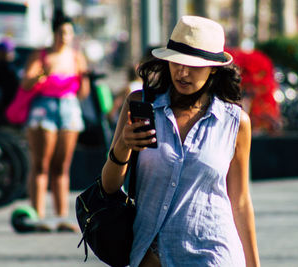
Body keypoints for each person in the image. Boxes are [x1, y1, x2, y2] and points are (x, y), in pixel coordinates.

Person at [101, 15, 260, 266]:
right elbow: (109, 187)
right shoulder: (140, 105)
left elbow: (240, 202)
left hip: (213, 254)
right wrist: (122, 145)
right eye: (176, 62)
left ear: (213, 68)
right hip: (150, 256)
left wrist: (254, 264)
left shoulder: (235, 122)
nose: (182, 72)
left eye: (194, 65)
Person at [21, 11, 90, 231]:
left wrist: (85, 78)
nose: (64, 37)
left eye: (68, 32)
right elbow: (26, 83)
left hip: (68, 108)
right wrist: (43, 74)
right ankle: (37, 215)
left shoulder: (77, 57)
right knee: (41, 164)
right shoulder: (41, 55)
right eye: (61, 32)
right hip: (44, 107)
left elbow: (83, 92)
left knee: (61, 166)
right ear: (54, 33)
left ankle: (61, 217)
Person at [0, 38, 20, 125]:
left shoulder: (1, 68)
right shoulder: (16, 67)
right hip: (15, 108)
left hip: (5, 109)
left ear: (3, 53)